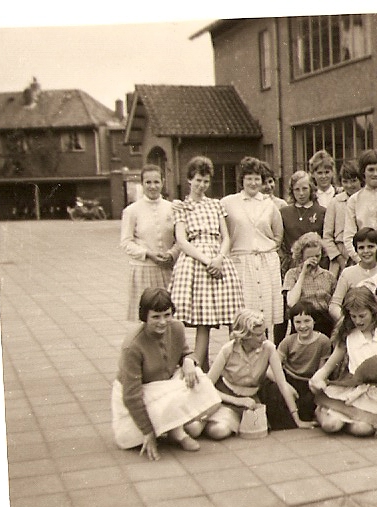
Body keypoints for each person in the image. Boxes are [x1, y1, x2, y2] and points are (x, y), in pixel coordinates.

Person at [111, 288, 221, 460]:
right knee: (128, 439)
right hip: (137, 394)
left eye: (167, 315)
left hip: (164, 386)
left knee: (198, 377)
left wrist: (188, 360)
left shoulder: (176, 327)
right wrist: (147, 433)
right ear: (144, 317)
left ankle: (176, 430)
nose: (163, 322)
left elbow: (185, 353)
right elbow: (131, 396)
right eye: (156, 317)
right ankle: (174, 429)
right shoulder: (132, 345)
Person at [189, 309, 316, 440]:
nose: (264, 338)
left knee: (219, 431)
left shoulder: (268, 348)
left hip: (250, 400)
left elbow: (282, 384)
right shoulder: (228, 349)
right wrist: (238, 401)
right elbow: (208, 386)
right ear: (244, 336)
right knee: (195, 429)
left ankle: (211, 420)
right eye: (258, 335)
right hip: (225, 396)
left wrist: (297, 419)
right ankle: (206, 417)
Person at [310, 287, 377, 436]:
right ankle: (329, 412)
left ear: (373, 311)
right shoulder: (348, 336)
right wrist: (317, 378)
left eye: (362, 316)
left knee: (362, 429)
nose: (358, 321)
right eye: (353, 316)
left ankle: (349, 418)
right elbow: (328, 367)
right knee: (331, 425)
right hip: (354, 387)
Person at [170, 156, 244, 372]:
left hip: (219, 260)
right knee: (204, 318)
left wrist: (219, 258)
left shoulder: (215, 205)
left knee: (233, 314)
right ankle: (200, 367)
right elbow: (182, 240)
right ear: (189, 180)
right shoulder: (181, 207)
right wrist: (206, 261)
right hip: (195, 262)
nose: (202, 185)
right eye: (198, 180)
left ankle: (235, 366)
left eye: (206, 181)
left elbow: (226, 237)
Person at [221, 156, 284, 344]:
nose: (253, 182)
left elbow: (278, 235)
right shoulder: (228, 202)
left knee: (263, 315)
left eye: (257, 178)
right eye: (249, 178)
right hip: (240, 263)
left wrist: (269, 249)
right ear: (242, 180)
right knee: (240, 314)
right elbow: (222, 234)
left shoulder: (269, 205)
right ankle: (235, 356)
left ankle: (262, 355)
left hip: (265, 263)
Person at [120, 164, 180, 321]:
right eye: (148, 182)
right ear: (142, 183)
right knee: (146, 318)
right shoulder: (132, 210)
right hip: (143, 269)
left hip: (167, 269)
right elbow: (126, 242)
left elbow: (181, 239)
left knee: (168, 317)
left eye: (156, 182)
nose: (152, 186)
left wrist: (172, 254)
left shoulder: (173, 208)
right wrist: (148, 254)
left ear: (163, 182)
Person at [262, 300, 332, 429]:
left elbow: (321, 371)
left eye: (307, 321)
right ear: (292, 323)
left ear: (314, 321)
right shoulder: (288, 341)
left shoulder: (323, 342)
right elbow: (270, 370)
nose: (302, 326)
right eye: (298, 322)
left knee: (311, 403)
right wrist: (286, 386)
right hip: (289, 379)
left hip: (309, 382)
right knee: (273, 391)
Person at [282, 232, 337, 337]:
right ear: (301, 256)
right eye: (309, 257)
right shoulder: (292, 274)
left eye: (317, 256)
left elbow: (334, 305)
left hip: (324, 321)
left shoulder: (329, 276)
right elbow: (291, 302)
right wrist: (303, 273)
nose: (314, 260)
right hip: (303, 319)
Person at [328, 227, 377, 322]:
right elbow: (334, 305)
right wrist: (348, 320)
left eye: (370, 246)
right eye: (361, 248)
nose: (366, 251)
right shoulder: (348, 273)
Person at [279, 170, 326, 277]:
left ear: (311, 189)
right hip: (292, 265)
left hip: (316, 264)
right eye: (297, 189)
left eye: (304, 189)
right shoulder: (284, 212)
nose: (301, 193)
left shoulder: (321, 212)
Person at [322, 160, 363, 278]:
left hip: (363, 250)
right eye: (345, 181)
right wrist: (338, 257)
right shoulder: (335, 202)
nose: (350, 185)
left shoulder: (366, 199)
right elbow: (327, 236)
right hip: (341, 254)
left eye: (354, 181)